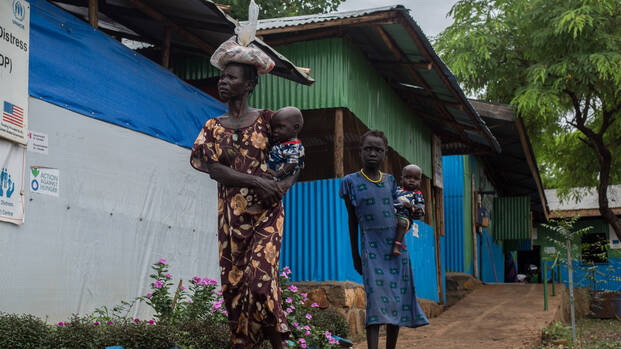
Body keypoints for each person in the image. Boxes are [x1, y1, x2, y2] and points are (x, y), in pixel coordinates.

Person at [190, 59, 298, 348]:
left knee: (260, 283)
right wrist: (257, 181)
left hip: (266, 215)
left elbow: (294, 155)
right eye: (222, 77)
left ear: (249, 85)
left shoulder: (268, 120)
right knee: (235, 290)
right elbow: (215, 170)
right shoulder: (212, 127)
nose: (223, 81)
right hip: (231, 220)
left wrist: (281, 187)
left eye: (231, 77)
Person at [339, 130, 429, 349]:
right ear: (360, 151)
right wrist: (355, 255)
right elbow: (352, 221)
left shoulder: (390, 182)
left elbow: (404, 212)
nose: (372, 153)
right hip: (370, 248)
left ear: (385, 153)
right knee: (376, 303)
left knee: (396, 301)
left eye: (377, 150)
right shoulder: (350, 182)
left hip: (396, 249)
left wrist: (415, 212)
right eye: (368, 148)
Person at [246, 106, 305, 214]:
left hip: (282, 176)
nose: (275, 131)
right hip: (276, 172)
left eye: (280, 127)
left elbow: (292, 164)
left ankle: (262, 205)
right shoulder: (283, 141)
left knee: (271, 189)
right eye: (274, 128)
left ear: (295, 128)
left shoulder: (294, 147)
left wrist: (278, 174)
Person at [392, 164, 425, 256]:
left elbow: (420, 210)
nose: (411, 180)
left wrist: (411, 207)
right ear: (401, 178)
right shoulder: (396, 190)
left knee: (402, 223)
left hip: (405, 217)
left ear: (419, 181)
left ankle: (397, 246)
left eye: (415, 178)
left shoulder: (417, 195)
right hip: (392, 214)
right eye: (408, 177)